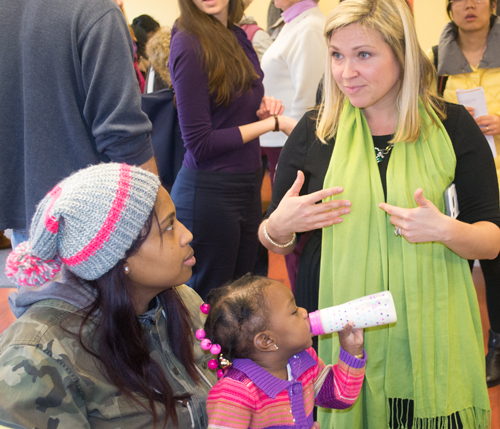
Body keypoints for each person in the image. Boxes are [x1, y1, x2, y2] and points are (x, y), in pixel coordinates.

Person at [259, 0, 500, 427]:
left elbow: (491, 238)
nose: (345, 72)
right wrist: (278, 227)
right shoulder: (315, 131)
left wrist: (446, 230)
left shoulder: (454, 126)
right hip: (341, 328)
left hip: (432, 328)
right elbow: (275, 236)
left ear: (402, 54)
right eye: (336, 55)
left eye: (363, 55)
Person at [0, 163, 217, 428]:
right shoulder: (37, 356)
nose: (187, 235)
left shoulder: (183, 302)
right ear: (119, 256)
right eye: (169, 226)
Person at [0, 0, 157, 249]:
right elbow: (123, 134)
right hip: (90, 221)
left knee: (39, 287)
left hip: (28, 214)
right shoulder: (94, 9)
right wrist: (158, 219)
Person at [169, 0, 297, 299]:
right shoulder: (188, 41)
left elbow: (229, 109)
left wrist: (261, 109)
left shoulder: (236, 34)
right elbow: (200, 143)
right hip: (210, 192)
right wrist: (272, 124)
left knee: (244, 302)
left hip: (247, 184)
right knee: (211, 307)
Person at [429, 0, 500, 388]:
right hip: (464, 182)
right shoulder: (435, 59)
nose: (469, 5)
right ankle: (491, 347)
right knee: (484, 264)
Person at [203, 275, 366, 429]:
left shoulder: (303, 360)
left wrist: (352, 351)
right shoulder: (235, 394)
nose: (304, 312)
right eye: (294, 311)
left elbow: (340, 396)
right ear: (267, 341)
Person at [260, 0, 326, 188]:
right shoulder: (294, 22)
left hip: (290, 142)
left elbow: (309, 96)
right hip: (279, 138)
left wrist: (297, 147)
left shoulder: (310, 27)